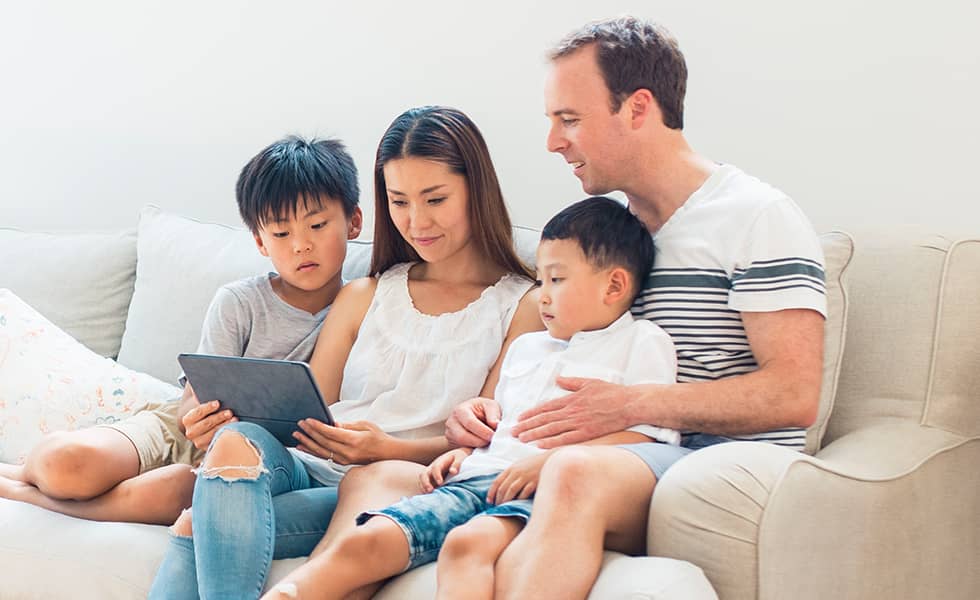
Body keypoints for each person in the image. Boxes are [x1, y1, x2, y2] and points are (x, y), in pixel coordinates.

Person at [444, 17, 828, 598]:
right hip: (621, 455)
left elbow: (794, 395)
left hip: (722, 459)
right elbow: (553, 357)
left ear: (638, 108)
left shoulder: (755, 216)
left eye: (569, 119)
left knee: (569, 469)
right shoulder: (604, 240)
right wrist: (484, 417)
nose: (553, 142)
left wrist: (628, 406)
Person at [148, 105, 542, 600]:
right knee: (235, 443)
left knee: (194, 522)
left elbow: (484, 445)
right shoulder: (365, 294)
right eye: (398, 201)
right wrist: (227, 415)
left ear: (476, 190)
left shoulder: (522, 306)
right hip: (311, 467)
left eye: (435, 198)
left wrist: (386, 449)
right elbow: (306, 413)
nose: (416, 221)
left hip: (397, 481)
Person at [260, 196, 680, 600]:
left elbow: (644, 441)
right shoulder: (529, 348)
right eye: (542, 280)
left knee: (467, 545)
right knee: (368, 539)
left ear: (614, 286)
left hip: (535, 494)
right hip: (478, 479)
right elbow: (505, 429)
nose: (544, 294)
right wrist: (465, 454)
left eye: (558, 279)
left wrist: (545, 464)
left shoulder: (641, 342)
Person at [0, 135, 362, 527]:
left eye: (318, 225)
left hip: (253, 460)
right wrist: (197, 420)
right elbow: (192, 399)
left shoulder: (366, 308)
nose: (301, 246)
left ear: (353, 222)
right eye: (281, 234)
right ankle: (20, 475)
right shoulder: (240, 302)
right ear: (259, 242)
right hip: (180, 430)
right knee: (64, 464)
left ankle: (22, 495)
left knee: (176, 494)